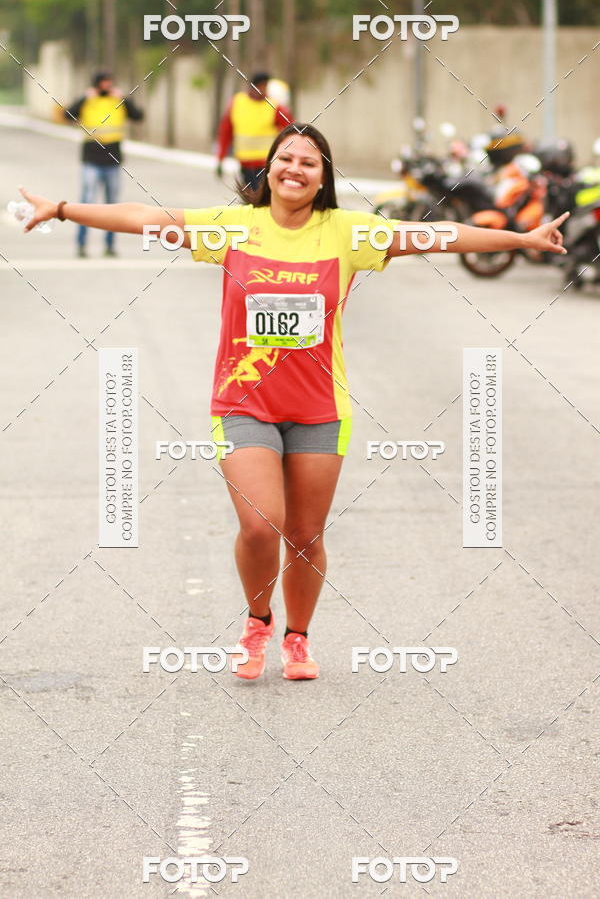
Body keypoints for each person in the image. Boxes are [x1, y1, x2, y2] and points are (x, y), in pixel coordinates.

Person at [18, 124, 568, 681]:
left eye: (310, 162)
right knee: (261, 525)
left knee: (305, 535)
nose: (295, 169)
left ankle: (297, 638)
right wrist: (62, 209)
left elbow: (439, 236)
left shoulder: (349, 233)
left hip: (319, 410)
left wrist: (522, 241)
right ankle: (257, 621)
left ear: (324, 176)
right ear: (269, 169)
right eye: (286, 158)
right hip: (242, 403)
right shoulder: (233, 226)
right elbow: (145, 219)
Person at [64, 70, 144, 258]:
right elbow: (67, 115)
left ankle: (109, 246)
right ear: (96, 84)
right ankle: (81, 245)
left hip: (113, 160)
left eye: (110, 83)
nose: (107, 87)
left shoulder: (118, 100)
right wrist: (84, 98)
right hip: (91, 159)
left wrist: (125, 98)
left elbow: (138, 116)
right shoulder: (87, 100)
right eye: (103, 83)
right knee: (86, 204)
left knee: (112, 207)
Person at [216, 72, 293, 192]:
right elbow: (226, 131)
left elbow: (290, 130)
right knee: (250, 197)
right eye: (263, 86)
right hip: (245, 163)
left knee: (263, 197)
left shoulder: (274, 106)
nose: (265, 90)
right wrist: (221, 158)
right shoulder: (237, 102)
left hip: (266, 164)